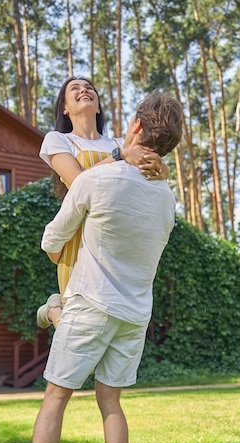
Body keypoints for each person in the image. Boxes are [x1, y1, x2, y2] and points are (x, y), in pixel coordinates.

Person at [14, 91, 183, 443]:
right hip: (134, 315)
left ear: (137, 128)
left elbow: (51, 242)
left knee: (56, 398)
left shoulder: (95, 181)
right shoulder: (167, 200)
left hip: (91, 304)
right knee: (110, 402)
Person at [37, 76, 168, 329]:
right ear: (65, 107)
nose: (84, 90)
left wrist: (163, 172)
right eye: (74, 89)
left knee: (109, 320)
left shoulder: (120, 142)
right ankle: (53, 310)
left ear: (98, 107)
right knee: (77, 327)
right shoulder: (59, 140)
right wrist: (121, 157)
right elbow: (77, 182)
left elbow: (152, 172)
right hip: (79, 234)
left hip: (114, 234)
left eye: (89, 88)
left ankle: (56, 307)